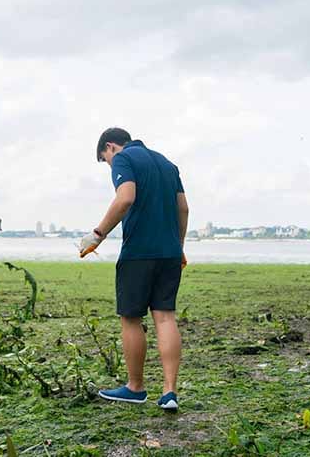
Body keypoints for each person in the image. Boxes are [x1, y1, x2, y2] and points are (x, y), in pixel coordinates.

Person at [79, 128, 188, 411]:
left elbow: (125, 198)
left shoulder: (125, 159)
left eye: (106, 160)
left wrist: (97, 234)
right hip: (170, 252)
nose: (110, 166)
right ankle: (169, 392)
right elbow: (183, 208)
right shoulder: (167, 163)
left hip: (139, 253)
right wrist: (180, 246)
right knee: (165, 317)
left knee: (130, 318)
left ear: (111, 147)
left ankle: (135, 387)